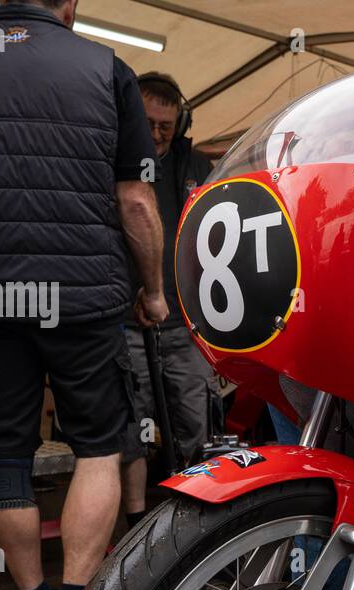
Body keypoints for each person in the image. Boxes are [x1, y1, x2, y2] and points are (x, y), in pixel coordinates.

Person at [0, 0, 166, 590]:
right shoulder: (105, 67)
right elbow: (135, 200)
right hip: (83, 294)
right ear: (67, 3)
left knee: (6, 451)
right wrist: (152, 290)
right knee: (97, 446)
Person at [119, 73, 214, 528]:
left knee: (194, 420)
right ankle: (136, 524)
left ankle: (193, 521)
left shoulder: (195, 165)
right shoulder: (109, 159)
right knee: (129, 430)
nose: (156, 133)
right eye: (148, 122)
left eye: (166, 125)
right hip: (123, 321)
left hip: (183, 324)